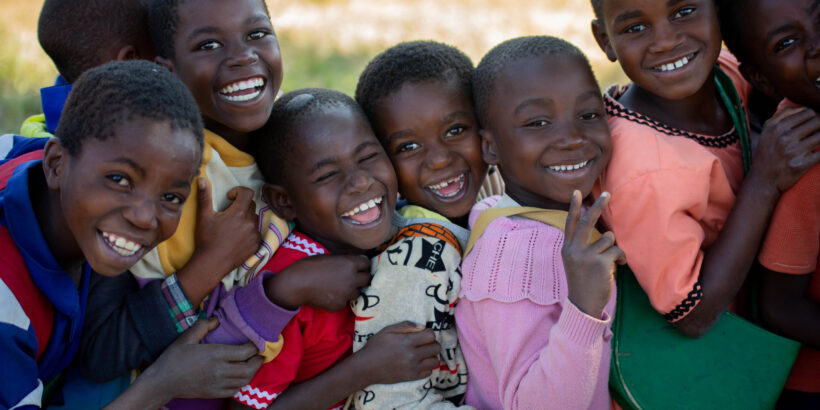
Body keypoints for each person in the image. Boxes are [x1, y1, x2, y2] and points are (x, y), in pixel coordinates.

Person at [0, 60, 260, 409]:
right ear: (56, 165)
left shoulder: (54, 186)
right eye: (120, 179)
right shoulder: (7, 306)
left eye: (170, 198)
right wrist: (163, 383)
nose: (143, 217)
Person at [196, 88, 441, 410]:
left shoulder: (405, 234)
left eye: (368, 157)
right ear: (285, 201)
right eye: (327, 175)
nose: (359, 182)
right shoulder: (292, 288)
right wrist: (364, 369)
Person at [589, 0, 820, 337]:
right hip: (722, 362)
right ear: (605, 40)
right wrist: (764, 182)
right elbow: (692, 315)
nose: (666, 42)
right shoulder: (642, 171)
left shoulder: (721, 75)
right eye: (635, 28)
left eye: (684, 12)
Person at [454, 36, 624, 409]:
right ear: (491, 147)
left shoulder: (520, 213)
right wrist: (583, 305)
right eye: (538, 122)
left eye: (589, 115)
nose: (571, 138)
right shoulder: (514, 254)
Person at [350, 40, 487, 408]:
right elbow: (390, 402)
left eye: (456, 130)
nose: (440, 159)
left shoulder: (495, 195)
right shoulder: (417, 259)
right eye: (408, 147)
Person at [718, 0, 820, 407]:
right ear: (763, 79)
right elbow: (778, 305)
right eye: (788, 42)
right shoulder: (805, 155)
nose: (817, 45)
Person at [19, 0, 156, 139]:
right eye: (158, 44)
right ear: (129, 61)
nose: (165, 61)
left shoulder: (51, 125)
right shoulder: (137, 139)